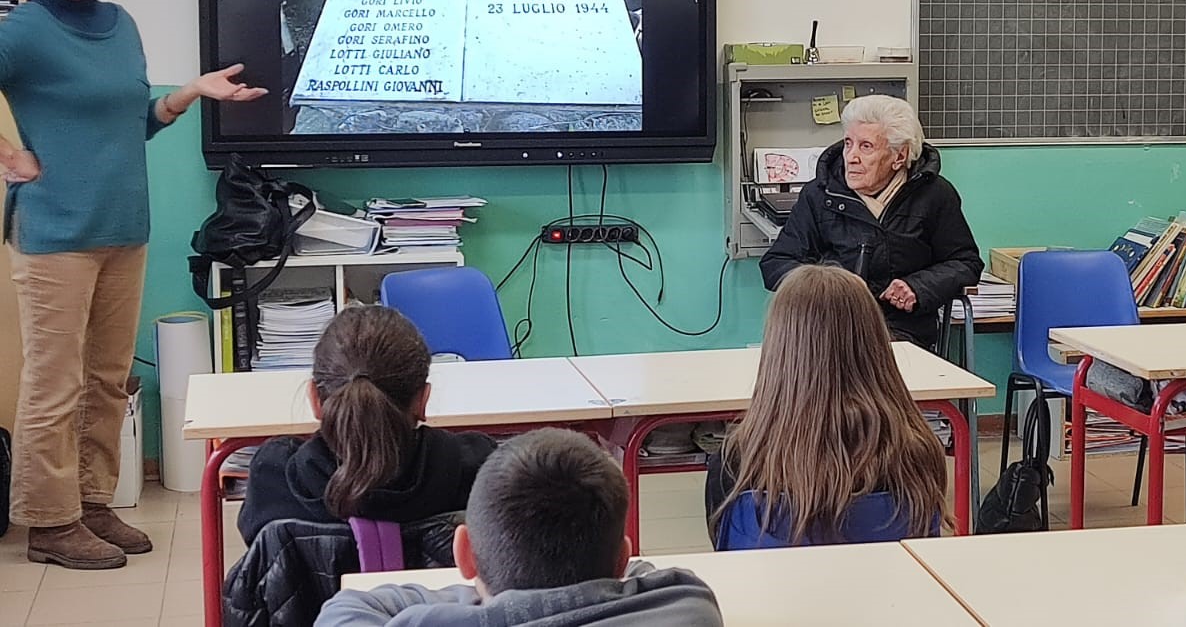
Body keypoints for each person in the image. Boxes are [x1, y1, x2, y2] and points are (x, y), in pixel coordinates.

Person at [1, 0, 267, 570]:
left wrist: (187, 94)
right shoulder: (25, 30)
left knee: (107, 380)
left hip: (125, 229)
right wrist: (8, 154)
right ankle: (49, 522)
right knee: (53, 385)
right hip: (56, 236)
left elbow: (133, 120)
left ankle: (90, 505)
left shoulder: (120, 25)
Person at [317, 428, 723, 627]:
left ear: (464, 554)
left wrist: (487, 596)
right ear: (623, 556)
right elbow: (646, 579)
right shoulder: (687, 608)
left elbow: (345, 609)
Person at [704, 264, 946, 547]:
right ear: (876, 344)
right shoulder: (920, 454)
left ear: (779, 351)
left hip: (771, 592)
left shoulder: (736, 462)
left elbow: (726, 552)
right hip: (890, 590)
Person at [237, 306, 497, 546]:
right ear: (423, 401)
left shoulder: (273, 479)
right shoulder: (479, 470)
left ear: (315, 400)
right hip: (441, 598)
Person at [759, 94, 983, 349]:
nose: (851, 157)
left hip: (902, 334)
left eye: (866, 147)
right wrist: (828, 287)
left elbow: (966, 263)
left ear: (899, 156)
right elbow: (776, 263)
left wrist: (918, 287)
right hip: (826, 333)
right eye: (848, 143)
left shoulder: (934, 195)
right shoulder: (819, 195)